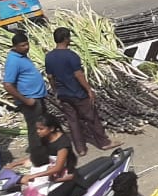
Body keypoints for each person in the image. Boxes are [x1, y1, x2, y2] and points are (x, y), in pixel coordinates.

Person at [43, 26, 110, 155]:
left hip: (63, 94)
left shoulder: (49, 57)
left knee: (72, 121)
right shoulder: (71, 55)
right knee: (91, 117)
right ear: (65, 39)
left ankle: (80, 149)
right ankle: (104, 143)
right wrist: (89, 90)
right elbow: (78, 74)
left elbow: (50, 77)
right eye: (69, 37)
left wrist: (56, 90)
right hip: (77, 93)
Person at [2, 32, 48, 156]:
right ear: (15, 46)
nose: (26, 47)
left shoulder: (22, 56)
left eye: (27, 44)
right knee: (35, 129)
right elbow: (7, 85)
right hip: (30, 101)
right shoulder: (13, 61)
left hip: (36, 98)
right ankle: (38, 156)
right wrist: (26, 100)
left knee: (43, 126)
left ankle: (45, 151)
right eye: (22, 45)